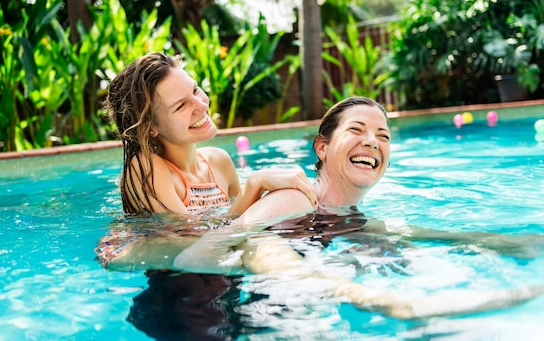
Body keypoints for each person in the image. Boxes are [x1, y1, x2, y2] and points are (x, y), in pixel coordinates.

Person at [104, 96, 544, 320]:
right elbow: (210, 250)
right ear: (322, 147)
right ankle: (394, 304)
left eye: (384, 135)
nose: (374, 140)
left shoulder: (349, 218)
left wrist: (502, 241)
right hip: (195, 307)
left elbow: (402, 231)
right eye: (357, 130)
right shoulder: (294, 197)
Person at [96, 52, 316, 266]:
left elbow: (235, 227)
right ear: (150, 127)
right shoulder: (146, 167)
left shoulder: (218, 161)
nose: (201, 106)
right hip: (179, 289)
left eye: (195, 90)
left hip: (227, 275)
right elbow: (190, 240)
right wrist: (254, 185)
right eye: (181, 106)